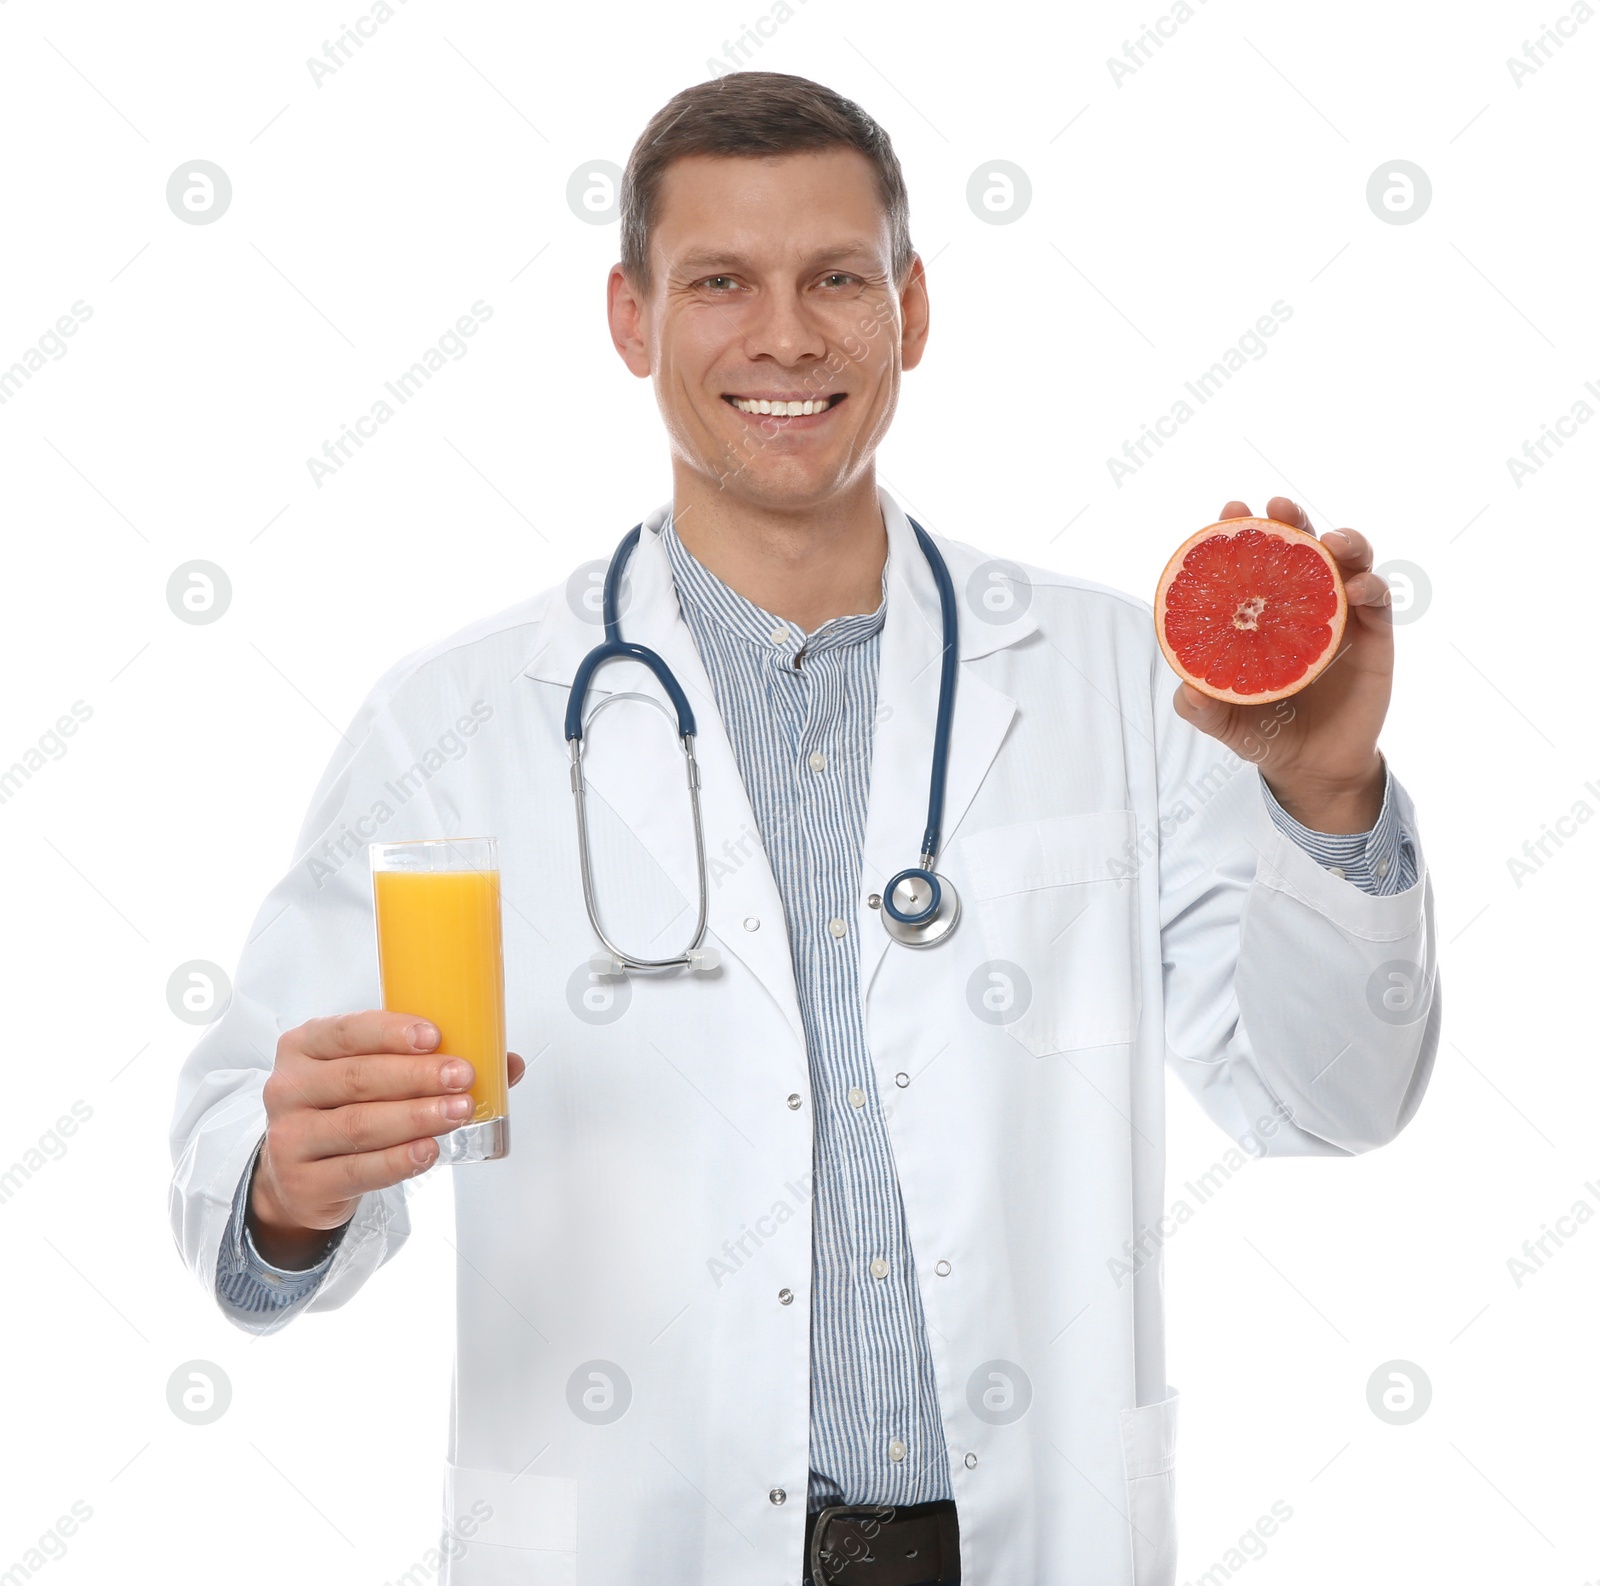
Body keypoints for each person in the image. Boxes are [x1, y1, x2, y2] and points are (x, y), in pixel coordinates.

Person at [169, 70, 1438, 1586]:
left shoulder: (1119, 683)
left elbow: (1335, 1102)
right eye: (721, 282)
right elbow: (253, 1178)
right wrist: (292, 1187)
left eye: (837, 277)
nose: (786, 335)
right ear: (631, 319)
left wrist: (1327, 799)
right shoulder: (462, 722)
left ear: (911, 307)